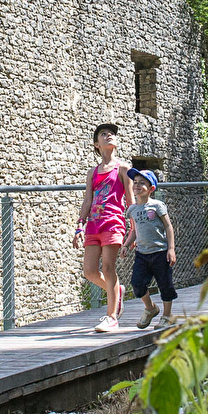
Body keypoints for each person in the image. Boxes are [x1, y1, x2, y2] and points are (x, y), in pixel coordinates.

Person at [73, 123, 130, 332]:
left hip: (113, 222)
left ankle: (112, 317)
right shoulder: (93, 172)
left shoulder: (123, 169)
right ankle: (116, 290)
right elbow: (87, 201)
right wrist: (79, 225)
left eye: (112, 134)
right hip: (93, 225)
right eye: (104, 134)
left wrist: (134, 228)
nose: (109, 136)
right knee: (89, 271)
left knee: (108, 267)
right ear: (96, 144)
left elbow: (130, 201)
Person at [122, 168, 177, 329]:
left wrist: (171, 249)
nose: (137, 186)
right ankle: (150, 308)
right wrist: (126, 244)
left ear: (151, 188)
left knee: (165, 284)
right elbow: (134, 230)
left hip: (160, 252)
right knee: (137, 283)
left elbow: (168, 226)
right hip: (142, 254)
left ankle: (167, 316)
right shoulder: (132, 209)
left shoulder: (157, 206)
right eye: (135, 183)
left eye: (142, 183)